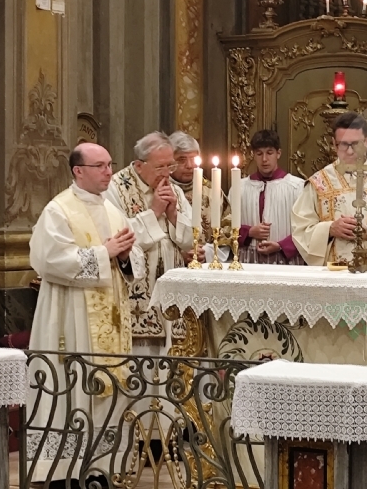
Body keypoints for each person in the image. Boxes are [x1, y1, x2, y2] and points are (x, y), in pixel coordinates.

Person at [27, 142, 144, 483]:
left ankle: (102, 466)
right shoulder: (59, 210)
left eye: (110, 164)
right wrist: (103, 252)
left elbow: (132, 257)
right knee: (72, 383)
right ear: (79, 171)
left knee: (107, 386)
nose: (109, 171)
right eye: (100, 166)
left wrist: (122, 258)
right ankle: (66, 469)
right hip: (71, 314)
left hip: (110, 315)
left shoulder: (112, 211)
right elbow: (48, 260)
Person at [105, 131, 193, 355]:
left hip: (171, 288)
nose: (166, 174)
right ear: (139, 165)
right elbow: (120, 238)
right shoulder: (115, 189)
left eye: (170, 166)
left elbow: (191, 240)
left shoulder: (174, 190)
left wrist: (173, 215)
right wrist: (154, 212)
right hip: (137, 291)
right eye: (160, 167)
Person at [291, 112, 367, 266]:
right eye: (343, 144)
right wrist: (329, 229)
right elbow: (300, 229)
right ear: (334, 144)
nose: (349, 151)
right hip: (334, 276)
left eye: (355, 144)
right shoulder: (320, 182)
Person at [238, 129, 305, 264]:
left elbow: (307, 229)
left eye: (269, 153)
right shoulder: (239, 188)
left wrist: (281, 245)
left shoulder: (297, 187)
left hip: (286, 261)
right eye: (259, 154)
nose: (264, 159)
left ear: (278, 153)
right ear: (253, 155)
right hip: (249, 261)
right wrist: (249, 232)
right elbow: (225, 226)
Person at [167, 130, 230, 263]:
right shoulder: (162, 191)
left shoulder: (212, 191)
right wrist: (178, 254)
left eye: (194, 160)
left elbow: (227, 232)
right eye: (181, 160)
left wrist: (206, 253)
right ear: (170, 161)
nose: (190, 166)